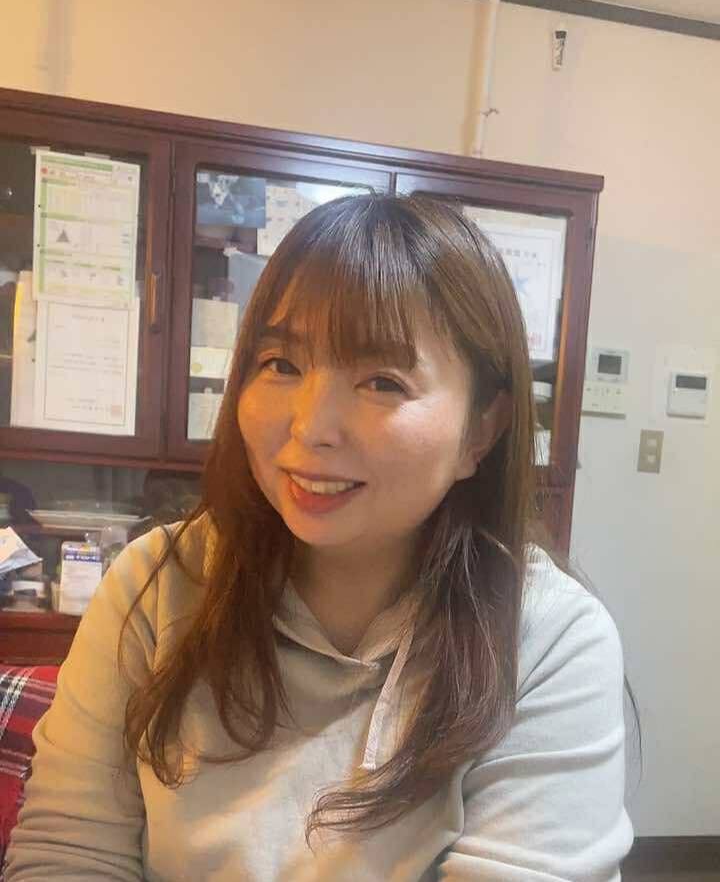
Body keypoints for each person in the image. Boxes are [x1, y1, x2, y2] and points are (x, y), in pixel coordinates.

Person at [4, 194, 637, 880]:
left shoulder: (546, 638)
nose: (309, 427)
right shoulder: (155, 584)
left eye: (382, 381)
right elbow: (68, 855)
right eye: (281, 364)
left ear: (480, 430)